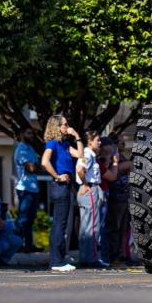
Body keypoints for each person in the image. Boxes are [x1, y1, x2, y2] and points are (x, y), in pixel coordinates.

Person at [41, 115, 83, 273]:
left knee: (60, 224)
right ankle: (57, 262)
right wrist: (57, 176)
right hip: (59, 185)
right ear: (57, 127)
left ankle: (58, 260)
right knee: (60, 225)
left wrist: (77, 136)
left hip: (66, 186)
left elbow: (80, 154)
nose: (67, 127)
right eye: (65, 124)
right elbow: (45, 162)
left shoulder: (64, 144)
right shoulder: (52, 143)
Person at [75, 131, 108, 269]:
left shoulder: (87, 154)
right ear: (89, 142)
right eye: (97, 140)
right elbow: (80, 170)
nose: (99, 143)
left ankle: (84, 257)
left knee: (85, 226)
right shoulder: (88, 155)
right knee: (93, 226)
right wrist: (85, 184)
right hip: (89, 189)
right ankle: (92, 258)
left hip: (86, 190)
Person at [12, 126, 42, 253]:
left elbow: (39, 168)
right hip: (24, 188)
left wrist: (35, 166)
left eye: (32, 133)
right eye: (29, 133)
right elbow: (31, 168)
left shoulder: (31, 149)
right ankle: (17, 244)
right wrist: (35, 166)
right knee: (22, 218)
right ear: (21, 135)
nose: (32, 135)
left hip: (34, 188)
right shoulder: (21, 150)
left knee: (30, 219)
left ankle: (28, 244)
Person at [106, 140, 133, 265]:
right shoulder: (107, 159)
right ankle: (114, 255)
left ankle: (123, 255)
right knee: (114, 229)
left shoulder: (120, 157)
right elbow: (112, 170)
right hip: (115, 198)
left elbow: (130, 165)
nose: (124, 145)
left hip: (124, 198)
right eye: (121, 142)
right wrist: (115, 163)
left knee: (123, 229)